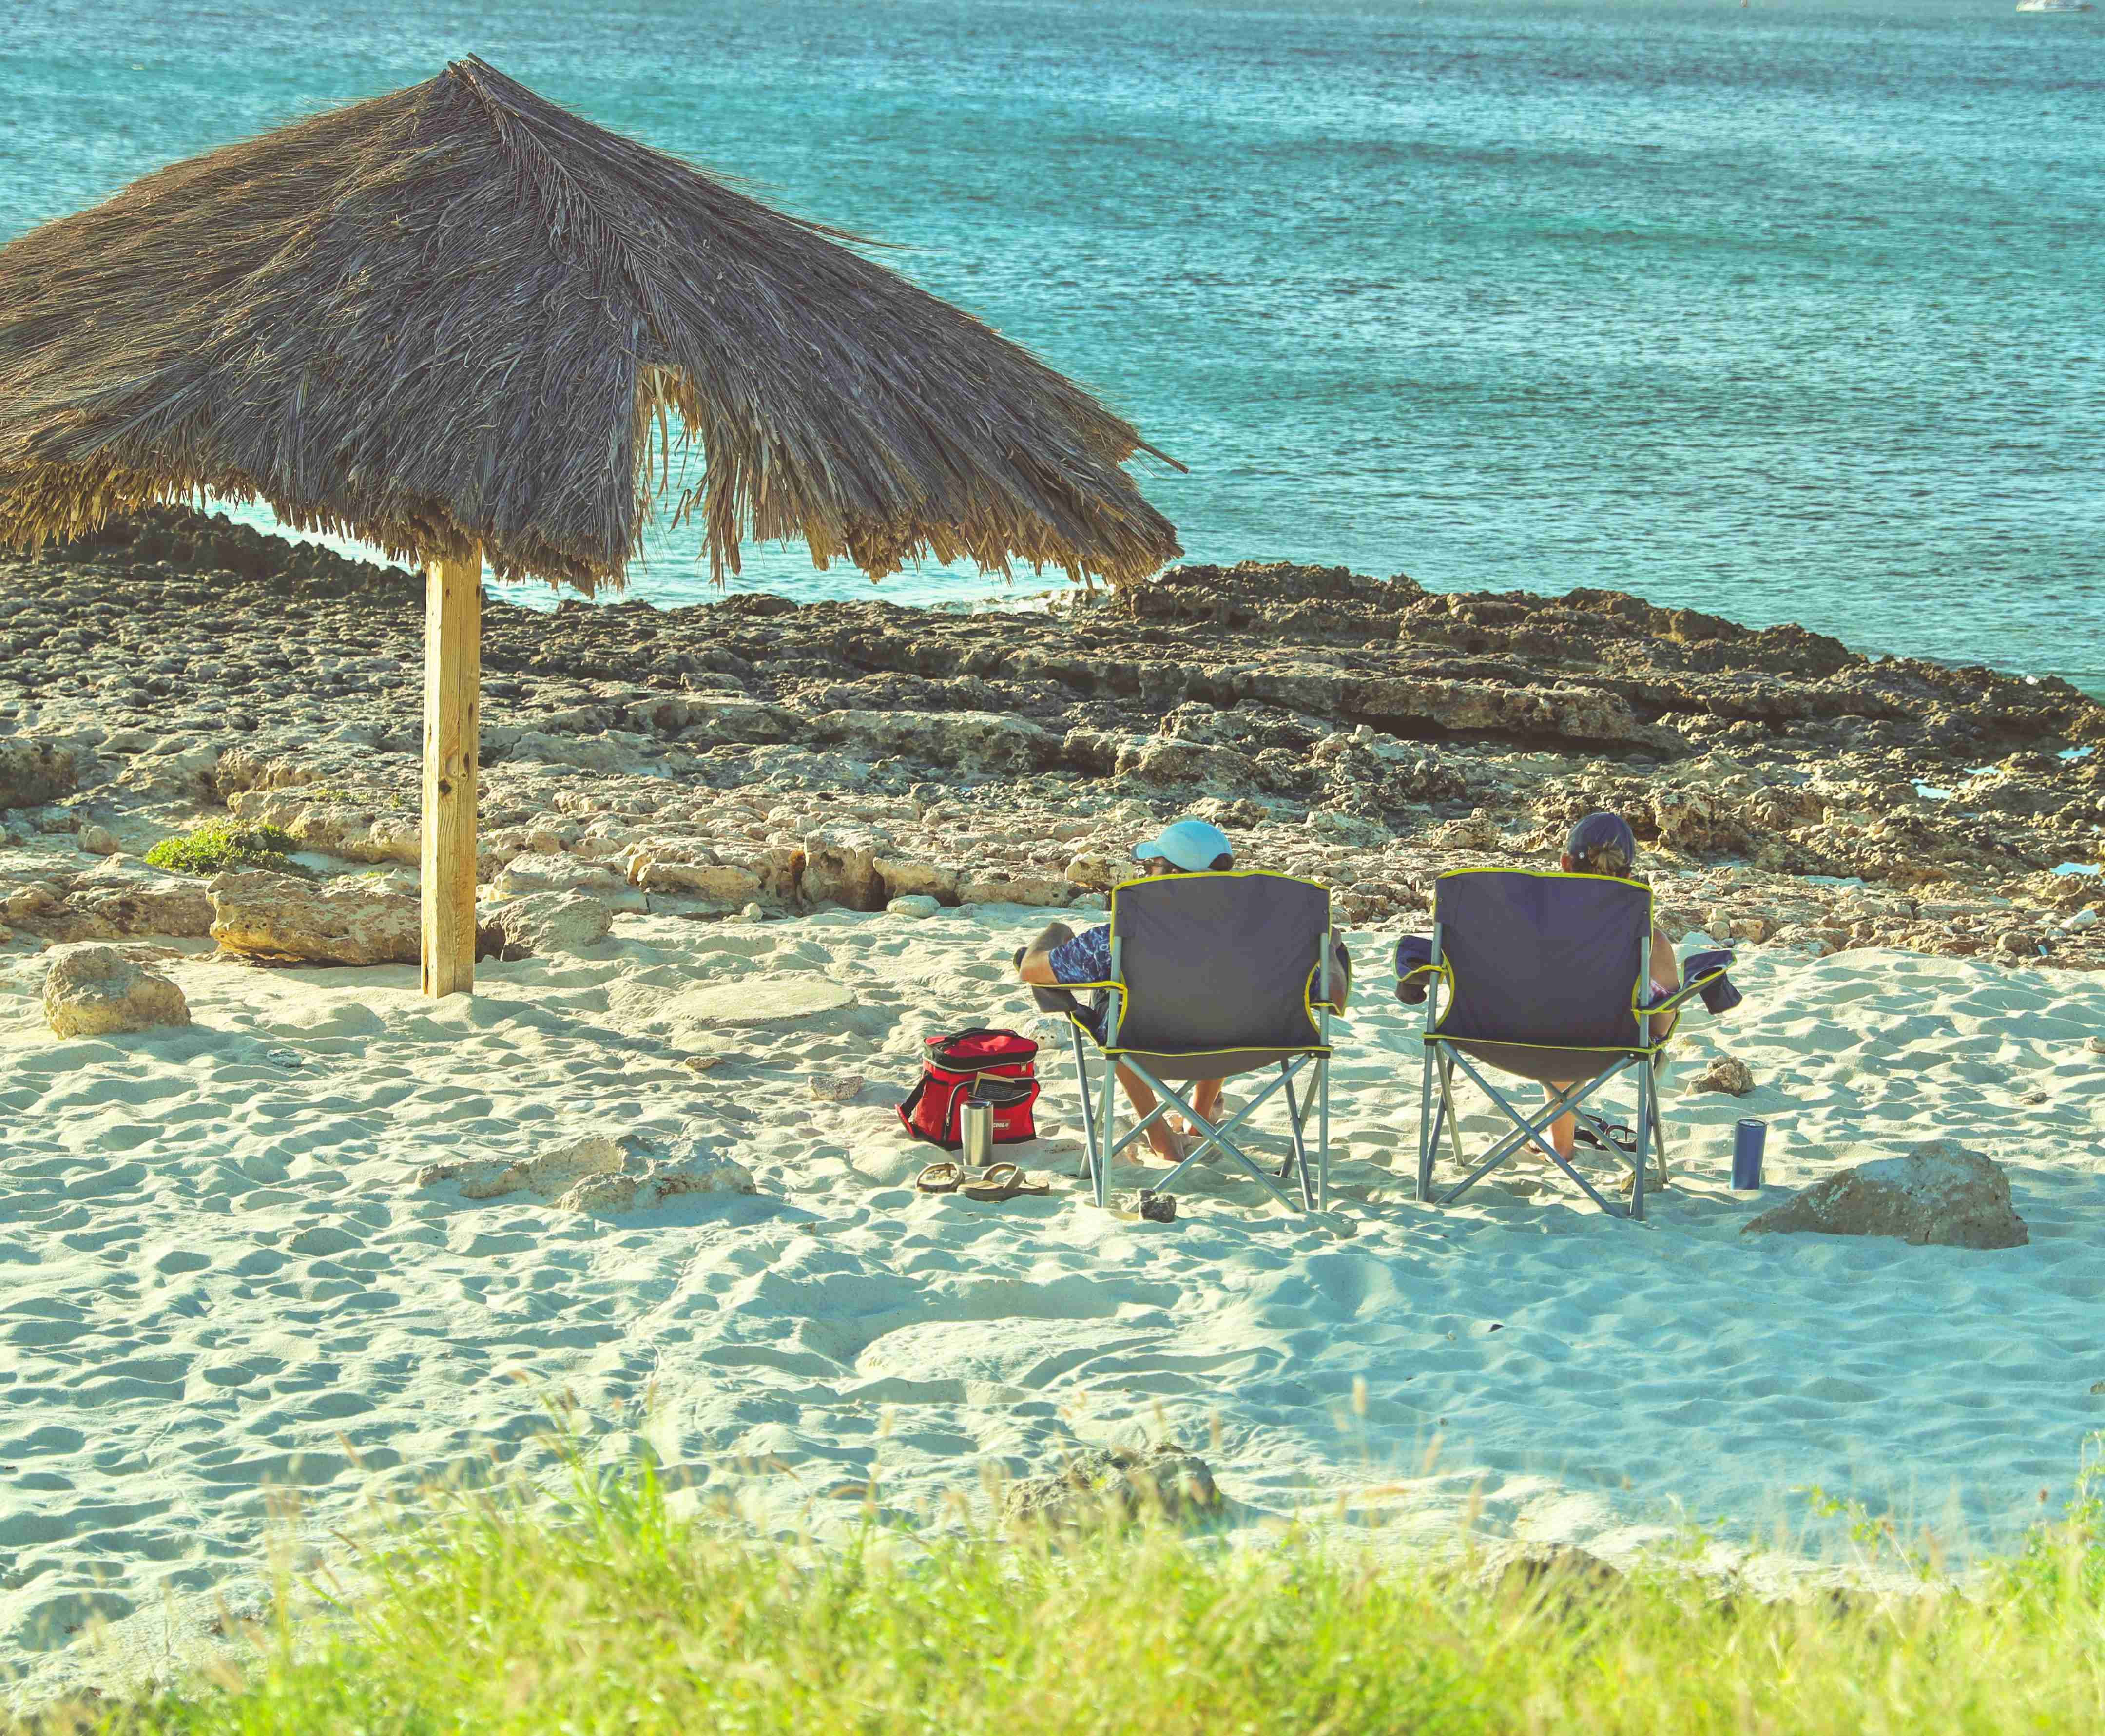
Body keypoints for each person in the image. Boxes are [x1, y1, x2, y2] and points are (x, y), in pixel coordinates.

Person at [1016, 817, 1236, 1163]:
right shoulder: (1263, 940)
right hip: (1246, 1044)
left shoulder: (1119, 938)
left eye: (1151, 866)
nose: (1146, 873)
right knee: (1226, 1002)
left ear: (1170, 876)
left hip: (1145, 1044)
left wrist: (1053, 933)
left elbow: (1032, 970)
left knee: (1113, 1004)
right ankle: (1198, 1119)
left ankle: (1159, 1136)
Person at [1544, 810, 1680, 1163]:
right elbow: (1660, 1026)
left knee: (1554, 1028)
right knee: (1572, 1031)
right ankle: (1561, 1141)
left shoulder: (1525, 922)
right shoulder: (1649, 939)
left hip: (1505, 1039)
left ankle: (1560, 1145)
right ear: (1628, 875)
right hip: (1612, 1046)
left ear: (1564, 864)